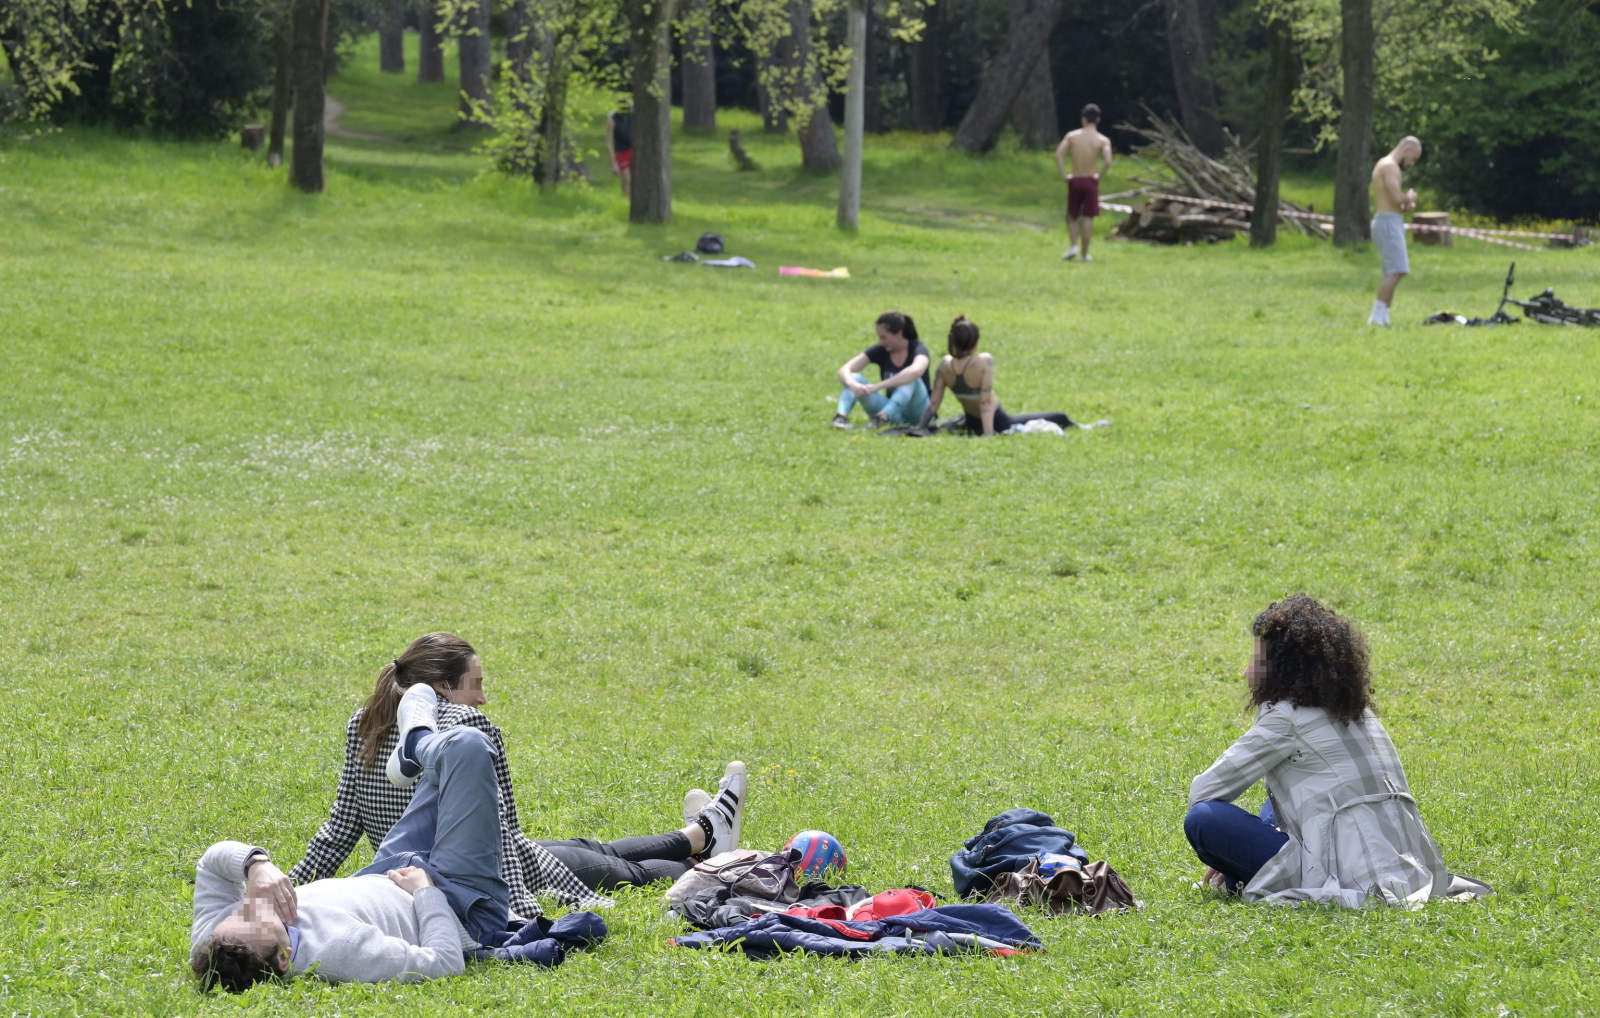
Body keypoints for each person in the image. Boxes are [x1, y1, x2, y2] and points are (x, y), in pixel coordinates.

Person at [292, 632, 746, 917]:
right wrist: (519, 904)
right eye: (477, 684)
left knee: (586, 849)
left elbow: (340, 829)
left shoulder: (364, 721)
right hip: (470, 876)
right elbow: (502, 833)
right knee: (618, 870)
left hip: (406, 873)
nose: (484, 698)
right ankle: (714, 862)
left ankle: (700, 833)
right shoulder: (469, 729)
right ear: (445, 688)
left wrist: (289, 890)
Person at [1183, 595, 1493, 907]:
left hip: (1343, 871)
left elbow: (1204, 791)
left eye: (1256, 661)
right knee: (1272, 803)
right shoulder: (1361, 715)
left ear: (1281, 670)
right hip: (1408, 865)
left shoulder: (1286, 718)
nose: (1246, 674)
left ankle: (1243, 873)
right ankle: (1242, 871)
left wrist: (1228, 846)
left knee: (1204, 819)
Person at [918, 316, 1078, 436]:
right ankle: (1087, 427)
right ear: (975, 343)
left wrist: (920, 428)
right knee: (1059, 416)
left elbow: (934, 403)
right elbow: (985, 402)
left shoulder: (945, 365)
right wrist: (989, 435)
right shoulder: (983, 361)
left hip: (972, 423)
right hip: (999, 422)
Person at [832, 311, 932, 429]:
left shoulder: (918, 349)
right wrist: (853, 385)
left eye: (884, 337)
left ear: (899, 334)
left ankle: (882, 418)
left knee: (911, 379)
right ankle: (841, 417)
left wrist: (878, 386)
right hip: (894, 414)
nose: (880, 342)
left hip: (919, 414)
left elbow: (916, 371)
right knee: (854, 377)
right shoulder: (881, 350)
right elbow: (844, 370)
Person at [1368, 136, 1422, 326]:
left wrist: (1406, 204)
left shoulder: (1385, 165)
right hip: (1388, 222)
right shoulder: (1389, 166)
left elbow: (1396, 204)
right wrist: (1409, 197)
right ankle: (1376, 317)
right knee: (1398, 269)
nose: (1411, 164)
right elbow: (1396, 197)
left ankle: (1384, 317)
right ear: (1406, 150)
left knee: (1393, 271)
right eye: (1413, 158)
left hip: (1391, 219)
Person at [1054, 104, 1114, 262]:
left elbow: (1058, 154)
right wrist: (1098, 176)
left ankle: (1073, 245)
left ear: (1083, 119)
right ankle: (1084, 254)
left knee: (1073, 216)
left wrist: (1064, 174)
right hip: (1090, 180)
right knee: (1088, 217)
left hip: (1075, 178)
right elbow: (1108, 161)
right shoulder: (1103, 140)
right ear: (1098, 120)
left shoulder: (1072, 136)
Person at [606, 101, 634, 199]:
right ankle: (627, 200)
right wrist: (613, 163)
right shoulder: (612, 120)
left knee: (633, 179)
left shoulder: (634, 116)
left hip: (633, 148)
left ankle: (628, 198)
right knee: (627, 178)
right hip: (621, 150)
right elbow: (608, 141)